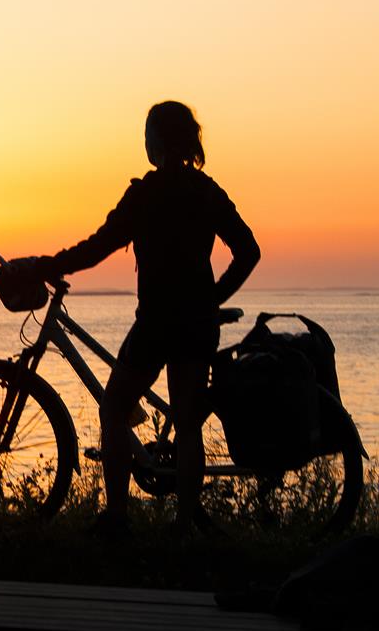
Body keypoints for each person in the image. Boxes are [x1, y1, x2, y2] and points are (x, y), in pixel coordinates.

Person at [18, 100, 258, 534]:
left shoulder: (145, 195)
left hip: (157, 323)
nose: (144, 142)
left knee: (113, 409)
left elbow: (96, 248)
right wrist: (212, 297)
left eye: (147, 133)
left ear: (159, 140)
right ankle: (184, 526)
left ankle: (116, 518)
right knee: (187, 425)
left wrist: (43, 266)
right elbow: (249, 252)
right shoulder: (207, 191)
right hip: (195, 324)